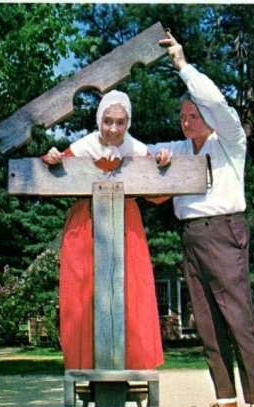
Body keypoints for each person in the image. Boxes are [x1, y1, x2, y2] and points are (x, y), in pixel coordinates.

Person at [151, 34, 254, 407]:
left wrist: (182, 65)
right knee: (206, 323)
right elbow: (135, 150)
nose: (187, 122)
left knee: (238, 320)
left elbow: (216, 102)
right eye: (182, 117)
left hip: (224, 234)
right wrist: (159, 163)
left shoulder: (231, 140)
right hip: (191, 238)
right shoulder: (179, 148)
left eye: (193, 116)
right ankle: (226, 404)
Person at [42, 90, 168, 371]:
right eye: (108, 121)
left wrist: (163, 162)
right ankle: (84, 365)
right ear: (99, 120)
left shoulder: (137, 150)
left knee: (131, 291)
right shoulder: (82, 147)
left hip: (126, 226)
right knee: (83, 295)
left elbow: (160, 194)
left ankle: (133, 364)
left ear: (128, 123)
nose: (113, 128)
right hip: (85, 225)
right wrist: (51, 158)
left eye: (120, 122)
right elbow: (50, 173)